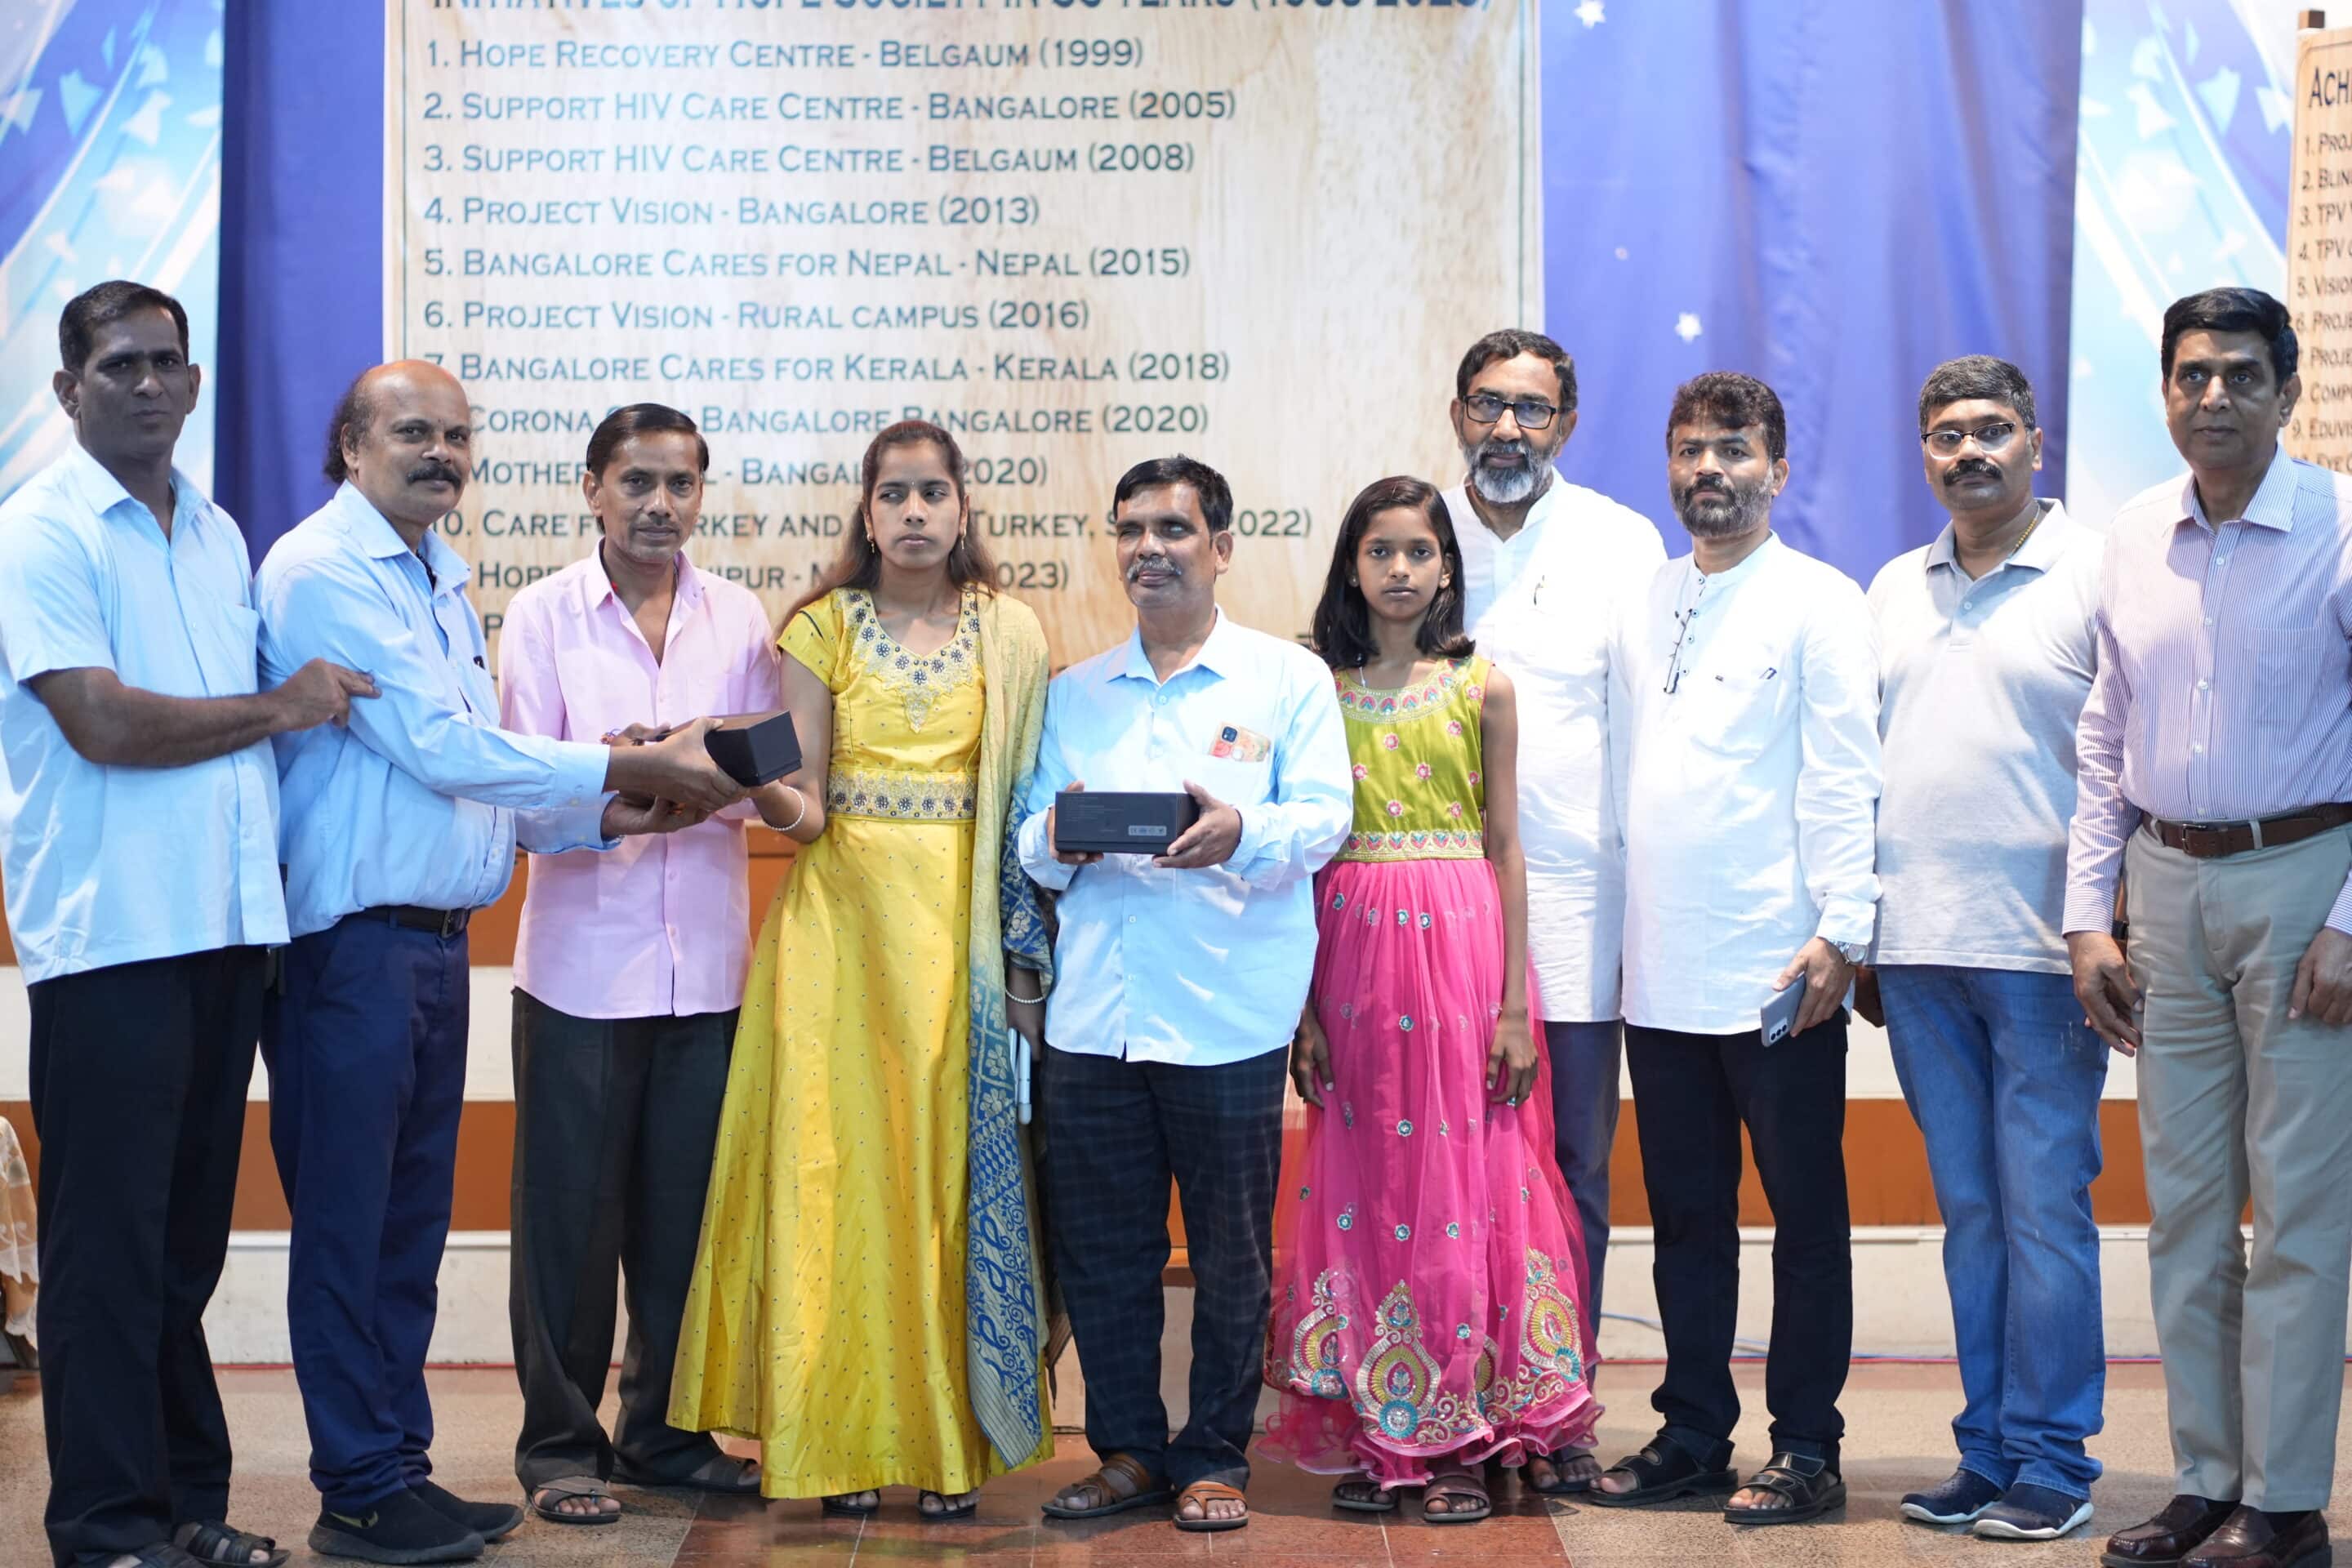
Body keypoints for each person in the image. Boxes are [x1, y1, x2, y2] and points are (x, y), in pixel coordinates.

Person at [255, 361, 742, 1566]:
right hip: (351, 948)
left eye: (456, 436)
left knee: (404, 1231)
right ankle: (362, 1485)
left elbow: (484, 782)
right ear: (351, 444)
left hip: (427, 945)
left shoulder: (431, 573)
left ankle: (393, 1472)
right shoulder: (324, 570)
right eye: (412, 432)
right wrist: (631, 773)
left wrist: (614, 812)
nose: (440, 453)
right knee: (351, 1227)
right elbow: (443, 749)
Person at [0, 282, 372, 1568]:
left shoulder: (214, 536)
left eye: (165, 363)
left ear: (197, 382)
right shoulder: (41, 531)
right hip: (111, 943)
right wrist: (285, 708)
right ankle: (104, 1527)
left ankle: (187, 1509)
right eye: (117, 367)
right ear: (67, 390)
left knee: (183, 1251)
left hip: (226, 934)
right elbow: (102, 722)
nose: (146, 384)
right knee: (106, 1254)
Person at [668, 419, 1058, 1518]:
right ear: (869, 512)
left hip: (962, 942)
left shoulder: (1011, 633)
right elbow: (808, 809)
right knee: (838, 1179)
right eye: (897, 494)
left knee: (941, 1181)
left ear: (965, 509)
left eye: (936, 492)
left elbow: (1025, 802)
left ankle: (948, 1447)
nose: (918, 512)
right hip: (837, 940)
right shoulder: (823, 627)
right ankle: (834, 1444)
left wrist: (1025, 971)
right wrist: (742, 771)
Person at [1019, 455, 1352, 1534]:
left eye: (1173, 528)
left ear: (1221, 546)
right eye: (1131, 529)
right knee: (1104, 1251)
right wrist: (1060, 833)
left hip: (1229, 1015)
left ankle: (1214, 1457)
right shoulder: (1073, 695)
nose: (1149, 548)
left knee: (1229, 1256)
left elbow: (1326, 815)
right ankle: (1124, 1453)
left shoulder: (1285, 682)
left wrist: (1241, 829)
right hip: (1096, 1021)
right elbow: (1029, 838)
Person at [2072, 287, 2352, 1568]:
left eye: (2243, 375)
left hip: (2307, 885)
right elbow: (2105, 738)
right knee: (2185, 1211)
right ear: (2167, 392)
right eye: (2192, 375)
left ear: (2288, 393)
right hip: (2165, 893)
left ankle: (2286, 1504)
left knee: (2298, 1211)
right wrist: (2088, 917)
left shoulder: (2341, 527)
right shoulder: (2135, 534)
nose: (2215, 397)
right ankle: (2207, 1480)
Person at [1260, 475, 1600, 1525]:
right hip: (1351, 949)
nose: (1399, 570)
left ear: (1446, 566)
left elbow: (1506, 845)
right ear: (1351, 565)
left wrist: (1511, 1004)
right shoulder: (1316, 685)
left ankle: (1464, 1432)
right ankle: (1385, 1425)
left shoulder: (1481, 685)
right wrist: (1305, 1011)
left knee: (1472, 1178)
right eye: (1380, 552)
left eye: (1418, 551)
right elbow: (1305, 854)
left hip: (1460, 949)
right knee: (1372, 1178)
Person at [1594, 372, 1879, 1526]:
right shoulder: (1643, 597)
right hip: (1661, 973)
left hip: (1781, 970)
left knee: (1805, 1223)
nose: (1708, 468)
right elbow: (1624, 784)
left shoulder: (1821, 599)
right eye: (1689, 449)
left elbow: (1847, 771)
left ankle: (1807, 1445)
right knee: (1687, 1224)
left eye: (1732, 448)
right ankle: (1694, 1432)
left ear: (1778, 467)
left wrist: (1842, 934)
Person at [497, 404, 780, 1526]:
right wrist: (634, 797)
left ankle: (664, 1434)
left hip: (707, 970)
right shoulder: (544, 615)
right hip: (579, 968)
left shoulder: (740, 615)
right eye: (638, 483)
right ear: (592, 489)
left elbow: (768, 762)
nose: (661, 505)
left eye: (681, 484)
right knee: (569, 1222)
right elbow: (526, 790)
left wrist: (728, 777)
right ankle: (561, 1446)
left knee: (682, 1219)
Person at [1859, 356, 2107, 1542]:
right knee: (1972, 1215)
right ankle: (1989, 1451)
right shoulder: (1892, 589)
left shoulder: (2096, 577)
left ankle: (2056, 1462)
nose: (1972, 451)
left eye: (1994, 429)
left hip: (2047, 953)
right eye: (1949, 434)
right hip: (1916, 952)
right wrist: (1859, 927)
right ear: (1924, 454)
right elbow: (1856, 771)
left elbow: (2124, 770)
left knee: (2044, 1211)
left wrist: (2108, 921)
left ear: (2035, 443)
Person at [1440, 335, 1664, 1496]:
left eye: (1533, 410)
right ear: (1456, 412)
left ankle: (1559, 1409)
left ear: (1568, 424)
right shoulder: (1412, 527)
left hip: (1578, 903)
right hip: (1428, 907)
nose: (1508, 429)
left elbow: (1647, 733)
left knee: (1571, 1166)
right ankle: (1447, 1402)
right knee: (1443, 1165)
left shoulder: (1624, 546)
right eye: (1489, 405)